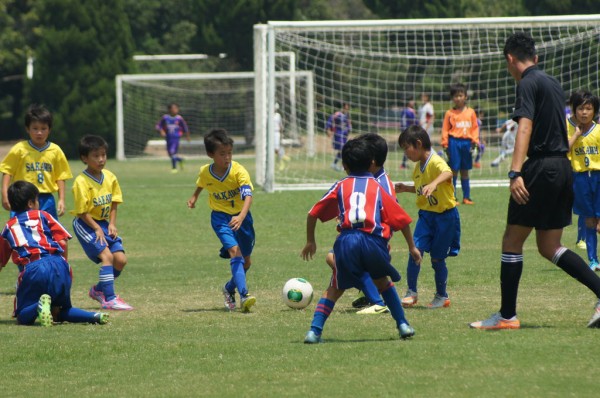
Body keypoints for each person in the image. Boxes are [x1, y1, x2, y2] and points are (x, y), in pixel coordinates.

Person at [470, 32, 600, 330]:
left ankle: (506, 316)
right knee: (549, 245)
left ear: (510, 59)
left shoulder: (527, 82)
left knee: (512, 240)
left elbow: (524, 127)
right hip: (562, 167)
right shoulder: (551, 82)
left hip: (540, 167)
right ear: (537, 58)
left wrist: (515, 172)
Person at [301, 137, 422, 343]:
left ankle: (314, 331)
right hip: (373, 241)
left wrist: (311, 241)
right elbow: (401, 220)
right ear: (371, 163)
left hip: (347, 241)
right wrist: (412, 246)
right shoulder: (377, 186)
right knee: (383, 282)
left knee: (335, 288)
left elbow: (313, 213)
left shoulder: (340, 185)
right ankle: (402, 324)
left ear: (345, 165)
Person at [0, 181, 109, 326]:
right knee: (59, 311)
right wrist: (64, 264)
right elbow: (63, 242)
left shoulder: (9, 227)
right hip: (60, 265)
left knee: (23, 317)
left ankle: (38, 304)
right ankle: (93, 316)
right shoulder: (44, 215)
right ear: (31, 203)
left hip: (33, 268)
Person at [187, 129, 256, 313]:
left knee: (246, 262)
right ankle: (244, 295)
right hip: (220, 218)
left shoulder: (238, 171)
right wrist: (194, 197)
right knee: (235, 253)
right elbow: (202, 183)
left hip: (242, 218)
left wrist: (241, 216)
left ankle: (228, 288)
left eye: (230, 153)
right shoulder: (205, 172)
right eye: (222, 154)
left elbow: (248, 195)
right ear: (211, 154)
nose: (227, 158)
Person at [396, 125, 461, 309]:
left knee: (437, 259)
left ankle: (442, 296)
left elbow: (448, 172)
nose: (405, 153)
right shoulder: (417, 168)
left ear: (418, 144)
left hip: (445, 217)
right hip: (426, 217)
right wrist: (406, 188)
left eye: (406, 148)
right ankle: (411, 292)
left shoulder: (435, 161)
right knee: (415, 250)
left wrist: (434, 184)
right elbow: (421, 189)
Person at [71, 135, 133, 311]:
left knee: (120, 260)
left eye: (103, 155)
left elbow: (115, 201)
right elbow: (82, 212)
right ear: (84, 158)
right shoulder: (81, 182)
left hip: (104, 223)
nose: (101, 159)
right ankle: (110, 299)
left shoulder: (110, 177)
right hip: (86, 224)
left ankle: (99, 290)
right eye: (96, 156)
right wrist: (97, 228)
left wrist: (111, 224)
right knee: (107, 257)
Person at [0, 104, 72, 219]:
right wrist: (4, 195)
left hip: (46, 199)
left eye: (43, 129)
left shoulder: (55, 150)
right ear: (27, 129)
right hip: (22, 198)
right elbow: (7, 171)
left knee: (48, 232)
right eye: (35, 128)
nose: (39, 133)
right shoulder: (19, 149)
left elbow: (60, 177)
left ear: (49, 130)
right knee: (21, 230)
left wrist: (62, 199)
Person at [566, 90, 600, 270]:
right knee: (589, 220)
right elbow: (564, 150)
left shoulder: (598, 131)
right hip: (580, 179)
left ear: (594, 111)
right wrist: (575, 135)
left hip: (598, 177)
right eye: (580, 108)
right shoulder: (570, 128)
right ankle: (593, 260)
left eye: (588, 108)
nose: (584, 112)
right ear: (574, 110)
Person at [441, 83, 479, 205]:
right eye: (455, 96)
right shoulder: (449, 113)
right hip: (454, 143)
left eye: (460, 95)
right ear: (452, 98)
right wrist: (445, 144)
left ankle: (466, 197)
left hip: (467, 143)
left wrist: (475, 142)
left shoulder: (471, 112)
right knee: (453, 171)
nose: (458, 98)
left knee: (465, 171)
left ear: (466, 97)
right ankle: (452, 197)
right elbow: (445, 129)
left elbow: (475, 128)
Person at [156, 103, 191, 173]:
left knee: (172, 152)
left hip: (176, 138)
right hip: (168, 138)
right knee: (170, 154)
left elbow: (185, 128)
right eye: (174, 108)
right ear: (169, 110)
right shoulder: (165, 118)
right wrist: (161, 131)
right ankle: (180, 160)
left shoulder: (179, 118)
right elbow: (158, 126)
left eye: (176, 108)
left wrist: (187, 136)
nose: (176, 110)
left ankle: (174, 168)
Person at [326, 101, 352, 172]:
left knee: (342, 150)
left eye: (348, 107)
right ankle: (342, 166)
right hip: (338, 134)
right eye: (346, 107)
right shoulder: (337, 114)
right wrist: (328, 129)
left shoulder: (347, 115)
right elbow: (330, 120)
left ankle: (334, 164)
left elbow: (348, 124)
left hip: (344, 135)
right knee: (343, 149)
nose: (347, 109)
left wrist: (349, 129)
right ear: (343, 107)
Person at [400, 98, 419, 169]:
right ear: (408, 102)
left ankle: (404, 164)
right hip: (408, 131)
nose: (414, 102)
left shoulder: (404, 111)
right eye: (412, 100)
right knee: (410, 147)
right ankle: (403, 164)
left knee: (409, 147)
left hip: (405, 131)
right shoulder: (409, 111)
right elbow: (415, 121)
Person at [274, 103, 290, 171]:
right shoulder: (268, 115)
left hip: (276, 133)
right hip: (271, 134)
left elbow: (280, 125)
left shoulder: (278, 116)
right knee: (273, 150)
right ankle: (283, 160)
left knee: (276, 149)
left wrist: (281, 133)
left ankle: (283, 162)